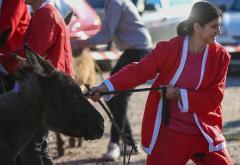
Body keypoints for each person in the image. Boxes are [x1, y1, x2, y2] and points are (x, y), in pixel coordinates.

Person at [88, 1, 233, 164]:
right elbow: (139, 71)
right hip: (171, 131)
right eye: (214, 26)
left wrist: (178, 93)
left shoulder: (221, 56)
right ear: (197, 27)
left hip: (205, 130)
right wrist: (105, 87)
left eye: (218, 26)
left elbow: (214, 97)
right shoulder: (170, 49)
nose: (219, 31)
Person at [0, 0, 74, 164]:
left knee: (31, 149)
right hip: (49, 90)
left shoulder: (46, 14)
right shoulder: (45, 13)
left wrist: (3, 60)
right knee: (37, 147)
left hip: (46, 91)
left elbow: (32, 54)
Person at [78, 0, 152, 161]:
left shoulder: (115, 3)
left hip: (138, 51)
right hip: (133, 50)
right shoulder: (114, 3)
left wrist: (80, 42)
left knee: (119, 96)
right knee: (111, 95)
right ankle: (129, 143)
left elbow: (105, 35)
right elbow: (106, 33)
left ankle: (114, 144)